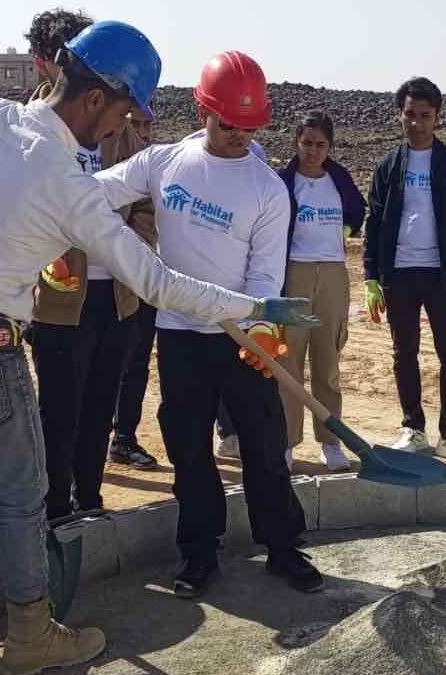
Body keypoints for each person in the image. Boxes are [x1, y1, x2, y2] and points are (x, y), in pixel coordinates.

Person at [0, 23, 316, 673]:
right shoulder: (67, 182)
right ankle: (30, 631)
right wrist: (257, 306)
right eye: (121, 112)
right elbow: (158, 280)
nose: (119, 128)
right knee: (21, 499)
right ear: (93, 100)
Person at [94, 50, 323, 598]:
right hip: (180, 337)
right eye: (228, 124)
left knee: (265, 447)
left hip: (242, 337)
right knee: (189, 447)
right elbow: (94, 193)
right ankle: (199, 553)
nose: (239, 136)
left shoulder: (267, 189)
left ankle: (284, 547)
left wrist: (265, 328)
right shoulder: (164, 163)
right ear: (205, 110)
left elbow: (266, 272)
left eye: (249, 127)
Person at [25, 9, 160, 519]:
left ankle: (91, 496)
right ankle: (56, 505)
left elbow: (146, 204)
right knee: (59, 407)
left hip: (115, 295)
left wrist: (128, 244)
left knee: (101, 401)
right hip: (61, 301)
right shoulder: (25, 129)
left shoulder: (120, 132)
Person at [362, 76, 446, 464]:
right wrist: (370, 277)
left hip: (443, 274)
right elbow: (375, 223)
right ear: (400, 114)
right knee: (405, 353)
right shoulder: (388, 166)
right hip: (399, 273)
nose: (417, 123)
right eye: (410, 114)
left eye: (425, 116)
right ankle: (413, 428)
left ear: (437, 118)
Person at [276, 112, 365, 472]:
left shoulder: (338, 177)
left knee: (327, 362)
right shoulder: (283, 181)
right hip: (294, 272)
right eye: (307, 143)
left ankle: (331, 442)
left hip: (332, 274)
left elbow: (357, 209)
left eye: (321, 145)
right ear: (297, 142)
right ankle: (286, 442)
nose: (313, 151)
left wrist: (344, 232)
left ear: (330, 147)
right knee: (289, 361)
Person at [109, 106, 163, 468]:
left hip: (143, 279)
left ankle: (124, 437)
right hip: (100, 279)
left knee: (137, 361)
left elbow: (149, 217)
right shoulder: (104, 158)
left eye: (147, 124)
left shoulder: (157, 167)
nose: (142, 131)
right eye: (136, 123)